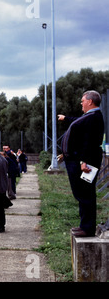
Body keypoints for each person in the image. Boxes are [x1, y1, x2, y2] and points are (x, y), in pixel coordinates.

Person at [58, 90, 104, 237]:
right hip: (77, 161)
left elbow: (89, 143)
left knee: (85, 194)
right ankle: (84, 225)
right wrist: (65, 154)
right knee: (82, 193)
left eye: (83, 101)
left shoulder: (94, 117)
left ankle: (88, 228)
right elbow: (78, 128)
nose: (81, 103)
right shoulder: (89, 117)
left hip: (85, 164)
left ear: (90, 101)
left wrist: (85, 161)